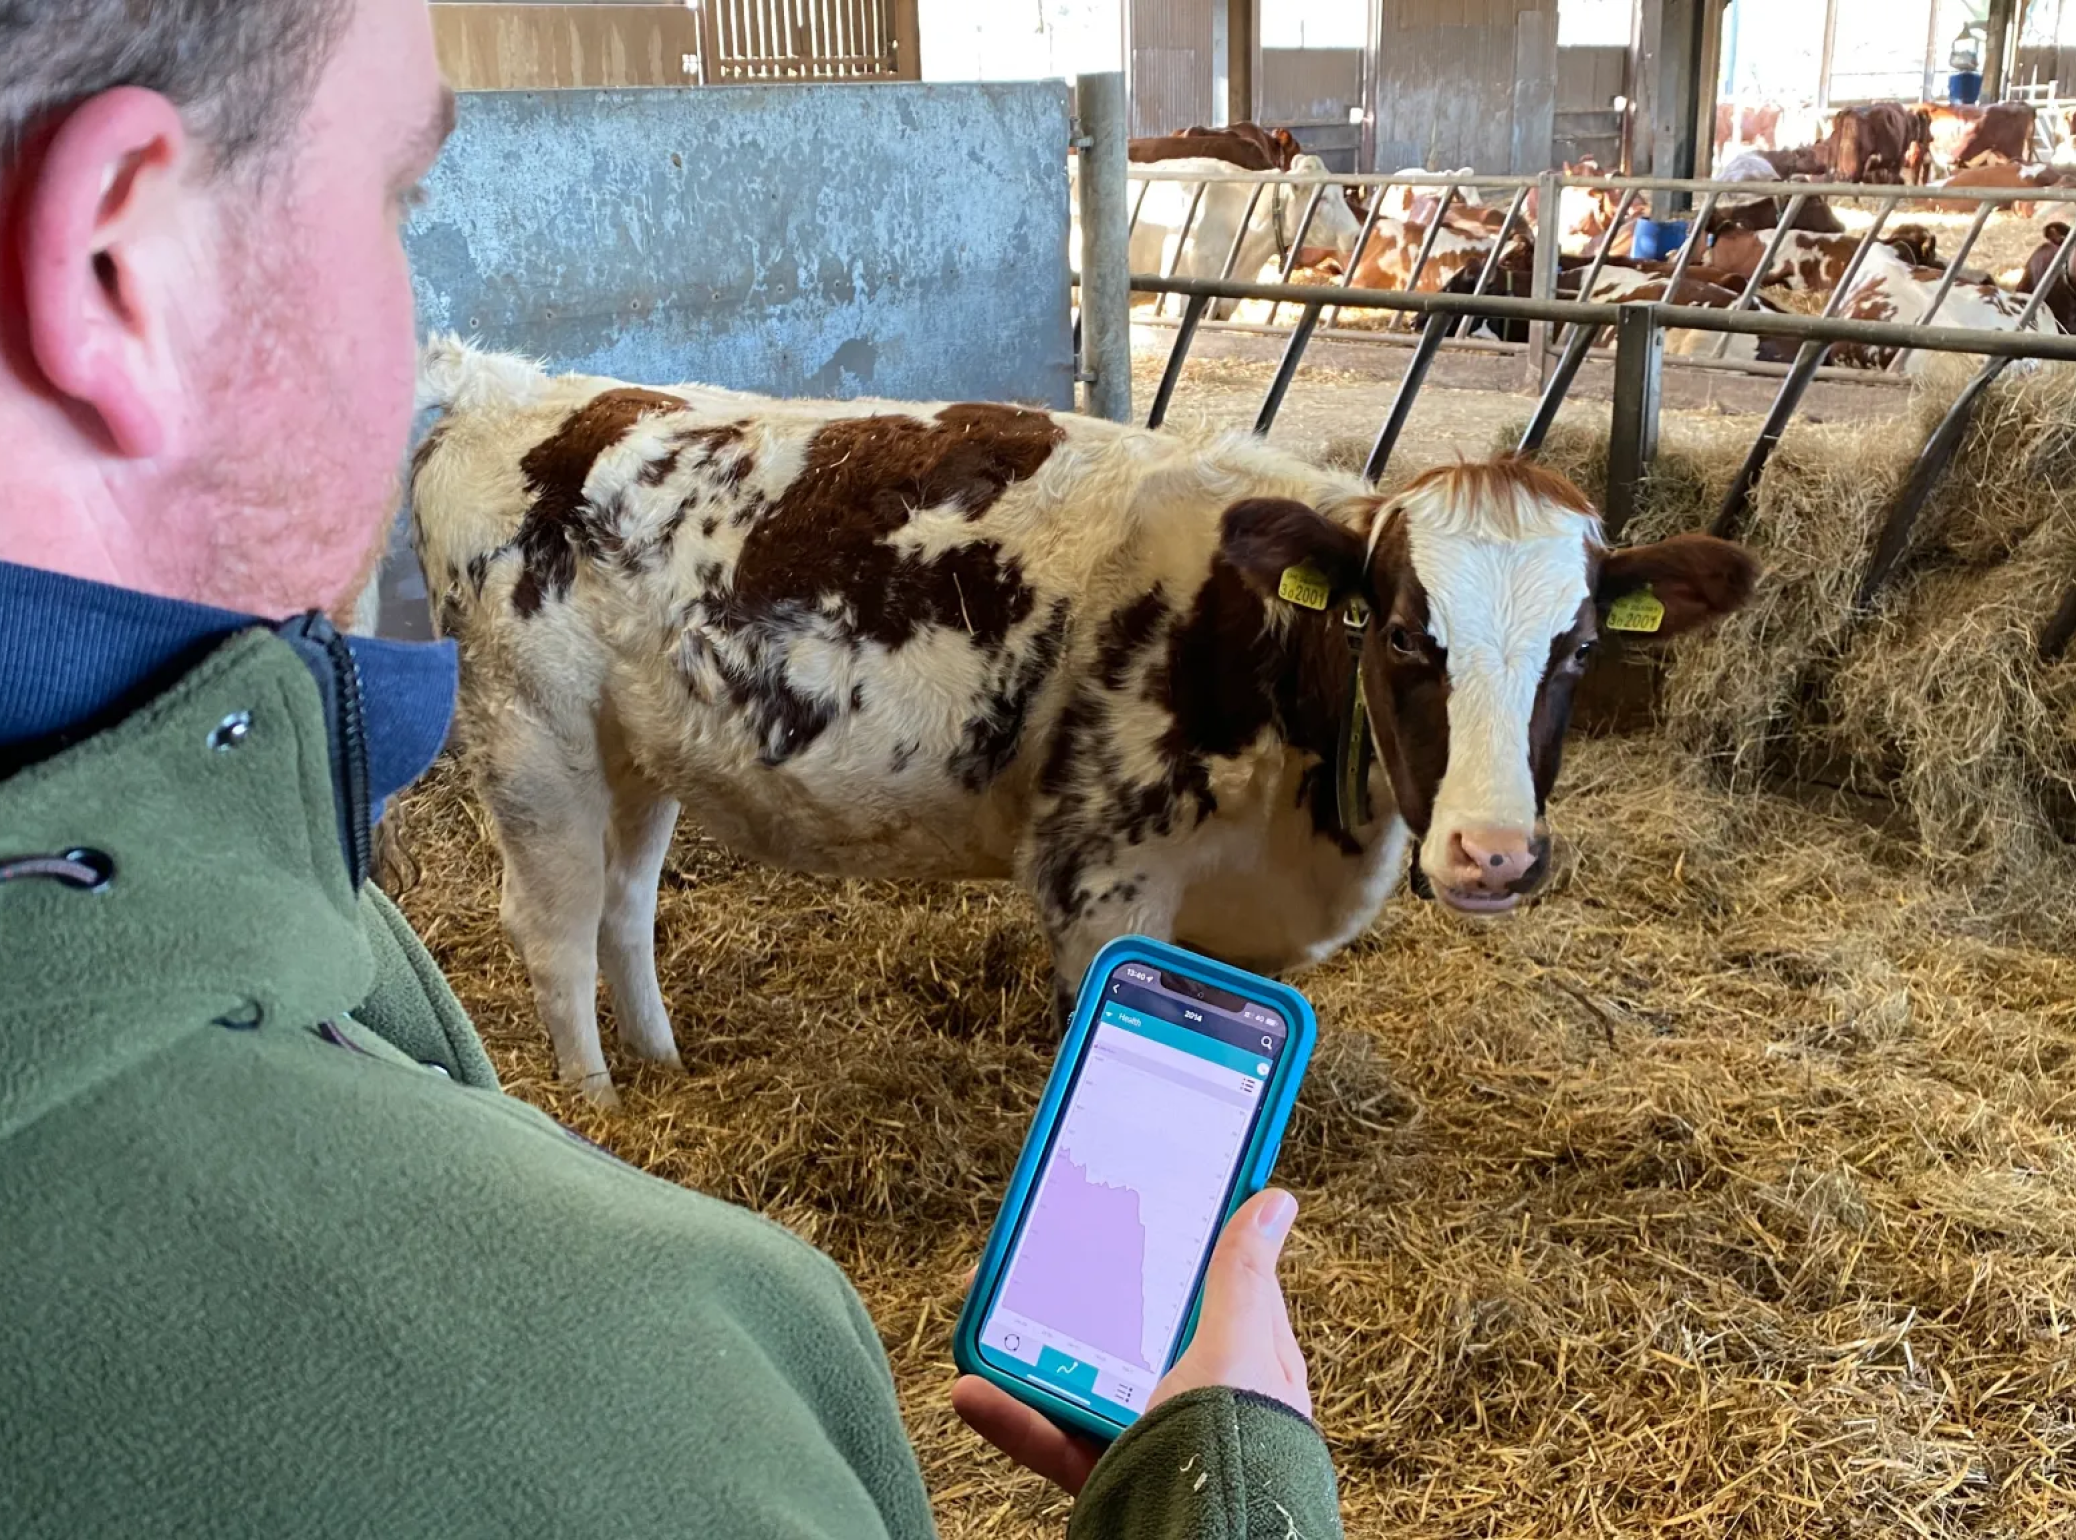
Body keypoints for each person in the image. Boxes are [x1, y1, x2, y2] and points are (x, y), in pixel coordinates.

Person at [0, 2, 1344, 1536]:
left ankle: (606, 1053)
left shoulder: (267, 873)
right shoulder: (696, 1397)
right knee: (582, 851)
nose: (413, 327)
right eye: (393, 202)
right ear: (118, 267)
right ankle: (585, 1062)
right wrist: (1227, 1497)